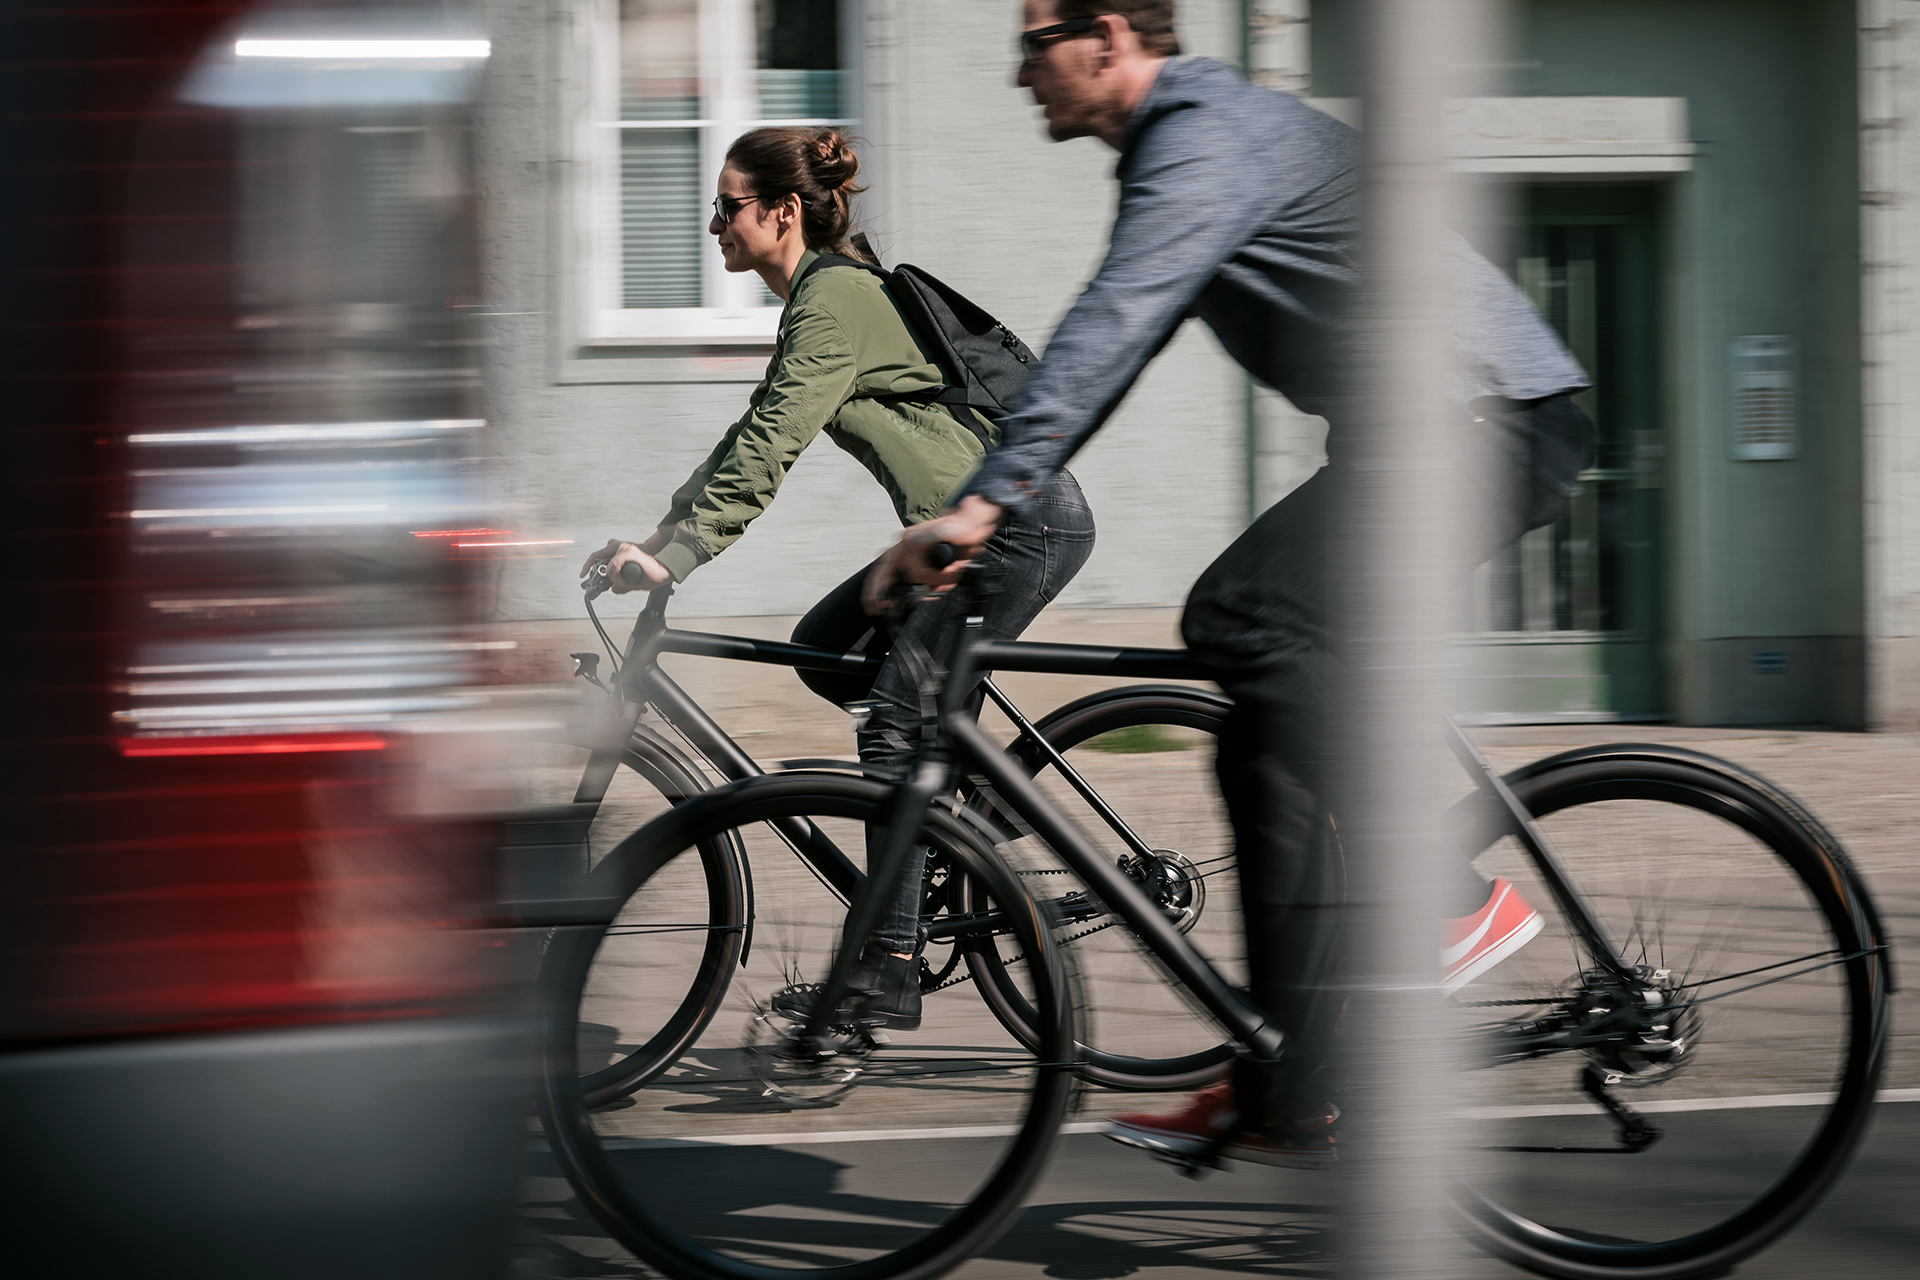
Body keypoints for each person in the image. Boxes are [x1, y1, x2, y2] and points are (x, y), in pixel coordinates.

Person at [868, 1, 1593, 1169]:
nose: (1018, 74)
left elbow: (1114, 324)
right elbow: (1120, 344)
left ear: (1106, 34)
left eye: (1032, 42)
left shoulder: (1204, 135)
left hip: (1487, 421)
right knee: (1256, 744)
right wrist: (1004, 480)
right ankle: (1287, 1079)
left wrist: (984, 502)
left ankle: (1446, 898)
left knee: (1241, 615)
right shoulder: (1180, 147)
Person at [581, 126, 1096, 1032]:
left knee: (894, 720)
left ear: (782, 212)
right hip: (962, 537)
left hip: (1016, 532)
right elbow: (753, 431)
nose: (712, 224)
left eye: (727, 206)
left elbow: (772, 439)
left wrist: (681, 553)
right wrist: (663, 535)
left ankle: (889, 963)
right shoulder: (822, 300)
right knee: (827, 650)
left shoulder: (835, 301)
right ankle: (952, 819)